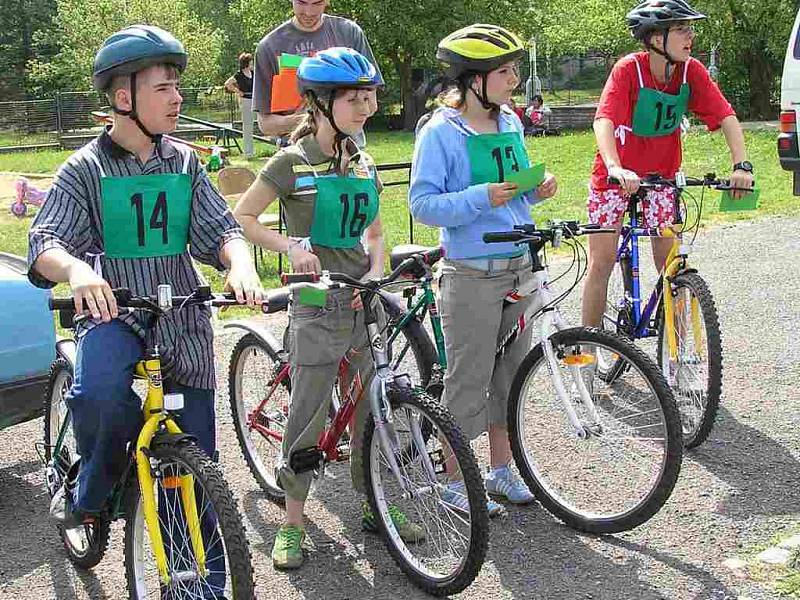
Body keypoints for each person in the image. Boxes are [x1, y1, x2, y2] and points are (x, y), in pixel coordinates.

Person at [27, 24, 262, 590]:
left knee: (198, 456)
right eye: (164, 87)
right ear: (122, 96)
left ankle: (201, 580)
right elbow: (47, 242)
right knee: (101, 395)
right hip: (114, 309)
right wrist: (79, 270)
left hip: (178, 312)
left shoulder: (183, 163)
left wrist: (241, 263)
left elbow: (220, 229)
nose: (178, 98)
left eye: (178, 85)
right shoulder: (85, 169)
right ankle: (88, 495)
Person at [233, 47, 424, 571]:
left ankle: (374, 502)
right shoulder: (290, 162)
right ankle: (292, 523)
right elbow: (244, 217)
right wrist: (289, 247)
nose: (366, 107)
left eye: (369, 97)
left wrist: (377, 270)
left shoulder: (360, 160)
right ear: (319, 103)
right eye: (354, 98)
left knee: (371, 406)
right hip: (315, 300)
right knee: (309, 413)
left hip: (363, 300)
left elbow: (376, 231)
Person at [409, 24, 558, 511]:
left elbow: (515, 183)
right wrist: (479, 198)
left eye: (514, 69)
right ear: (474, 79)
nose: (514, 78)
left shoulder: (510, 121)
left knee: (510, 375)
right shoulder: (440, 131)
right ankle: (455, 479)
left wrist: (537, 186)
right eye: (505, 71)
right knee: (467, 378)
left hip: (520, 263)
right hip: (471, 271)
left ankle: (500, 471)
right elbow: (423, 205)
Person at [581, 0, 754, 332]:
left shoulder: (691, 71)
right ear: (655, 38)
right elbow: (603, 120)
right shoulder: (628, 69)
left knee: (670, 263)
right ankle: (587, 348)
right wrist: (615, 166)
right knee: (601, 262)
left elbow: (726, 116)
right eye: (681, 29)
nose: (690, 36)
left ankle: (679, 347)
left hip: (660, 177)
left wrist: (741, 165)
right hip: (615, 178)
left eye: (690, 28)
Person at [252, 0, 383, 140]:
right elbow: (265, 124)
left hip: (348, 149)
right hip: (297, 153)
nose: (309, 12)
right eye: (301, 3)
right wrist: (313, 118)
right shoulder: (269, 46)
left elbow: (371, 104)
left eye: (317, 3)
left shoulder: (350, 33)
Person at [225, 52, 255, 157]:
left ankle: (251, 151)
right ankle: (248, 152)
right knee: (247, 126)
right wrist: (238, 91)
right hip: (245, 100)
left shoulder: (253, 73)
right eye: (251, 61)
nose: (252, 63)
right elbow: (228, 84)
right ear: (246, 63)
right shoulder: (239, 74)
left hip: (254, 100)